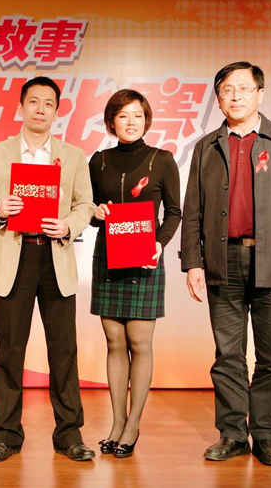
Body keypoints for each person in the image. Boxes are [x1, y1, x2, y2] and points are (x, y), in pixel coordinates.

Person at [180, 62, 271, 466]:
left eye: (243, 87)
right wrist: (193, 262)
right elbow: (193, 209)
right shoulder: (207, 146)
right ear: (218, 99)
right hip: (222, 261)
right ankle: (233, 435)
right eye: (226, 90)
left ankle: (267, 437)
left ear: (260, 93)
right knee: (228, 356)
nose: (235, 95)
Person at [0, 76, 96, 462]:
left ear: (57, 112)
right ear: (20, 108)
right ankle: (5, 434)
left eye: (48, 103)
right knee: (9, 350)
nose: (40, 109)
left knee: (64, 350)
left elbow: (85, 205)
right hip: (16, 256)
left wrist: (69, 225)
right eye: (33, 102)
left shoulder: (73, 156)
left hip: (55, 256)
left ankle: (69, 434)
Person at [89, 89, 181, 458]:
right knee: (114, 343)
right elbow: (89, 208)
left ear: (147, 120)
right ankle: (116, 422)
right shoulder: (98, 160)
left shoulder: (162, 159)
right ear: (111, 122)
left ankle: (132, 425)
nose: (131, 122)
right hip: (109, 257)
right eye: (123, 115)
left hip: (145, 259)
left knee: (140, 343)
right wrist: (95, 213)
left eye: (138, 115)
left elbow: (174, 212)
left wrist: (159, 243)